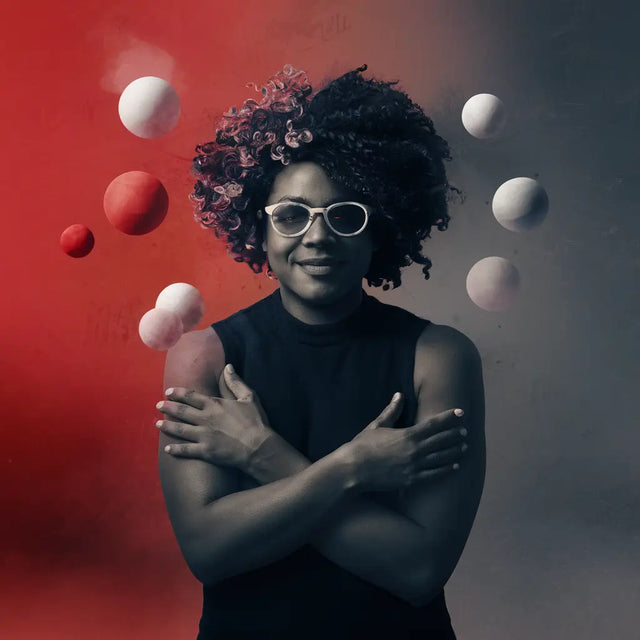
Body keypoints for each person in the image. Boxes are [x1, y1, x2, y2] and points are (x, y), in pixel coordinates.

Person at [155, 64, 485, 639]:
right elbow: (209, 552)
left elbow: (418, 569)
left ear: (380, 227)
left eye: (345, 216)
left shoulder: (438, 356)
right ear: (259, 227)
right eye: (291, 215)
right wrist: (352, 468)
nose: (317, 237)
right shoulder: (203, 357)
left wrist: (263, 454)